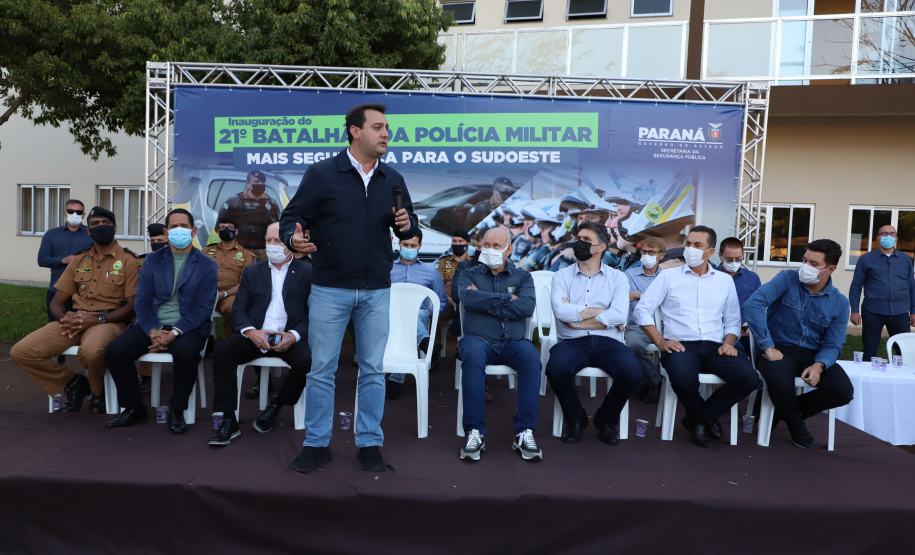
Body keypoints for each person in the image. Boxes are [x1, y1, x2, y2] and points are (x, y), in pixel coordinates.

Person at [279, 102, 418, 474]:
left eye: (387, 127)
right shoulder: (323, 173)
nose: (386, 133)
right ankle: (316, 443)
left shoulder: (392, 179)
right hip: (330, 288)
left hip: (376, 291)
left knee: (373, 369)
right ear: (355, 131)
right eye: (378, 127)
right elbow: (292, 216)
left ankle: (369, 443)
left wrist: (407, 226)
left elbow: (410, 228)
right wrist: (294, 239)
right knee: (322, 368)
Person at [634, 225, 759, 448]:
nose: (690, 249)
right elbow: (642, 310)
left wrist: (729, 342)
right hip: (680, 345)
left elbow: (732, 320)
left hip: (715, 346)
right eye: (688, 244)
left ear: (710, 252)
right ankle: (703, 420)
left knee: (749, 379)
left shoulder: (724, 281)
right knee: (683, 379)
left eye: (697, 245)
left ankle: (699, 419)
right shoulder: (668, 277)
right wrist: (660, 341)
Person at [12, 207, 139, 413]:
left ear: (115, 228)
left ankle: (98, 394)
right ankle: (75, 383)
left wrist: (98, 319)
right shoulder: (79, 260)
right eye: (95, 224)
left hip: (109, 321)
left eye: (105, 223)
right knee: (22, 351)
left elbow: (133, 306)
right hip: (75, 320)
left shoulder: (129, 261)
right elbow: (57, 300)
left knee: (91, 351)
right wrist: (64, 318)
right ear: (89, 231)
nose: (100, 227)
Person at [104, 208, 218, 433]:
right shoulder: (153, 260)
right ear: (166, 232)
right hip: (152, 325)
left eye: (184, 226)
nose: (179, 230)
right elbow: (142, 301)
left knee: (187, 353)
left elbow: (203, 308)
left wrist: (174, 332)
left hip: (189, 327)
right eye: (174, 226)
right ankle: (134, 407)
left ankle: (177, 409)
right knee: (116, 351)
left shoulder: (207, 264)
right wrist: (153, 331)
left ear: (193, 231)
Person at [208, 223, 313, 446]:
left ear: (290, 243)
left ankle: (277, 405)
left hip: (289, 337)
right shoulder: (253, 271)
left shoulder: (307, 272)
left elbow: (312, 314)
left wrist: (293, 335)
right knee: (223, 350)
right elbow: (239, 310)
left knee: (309, 360)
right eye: (268, 241)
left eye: (278, 241)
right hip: (256, 335)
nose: (272, 245)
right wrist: (251, 332)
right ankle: (229, 419)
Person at [745, 239, 854, 449]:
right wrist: (767, 346)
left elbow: (833, 344)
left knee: (842, 391)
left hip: (812, 354)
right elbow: (754, 303)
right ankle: (796, 424)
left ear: (830, 269)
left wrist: (819, 365)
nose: (805, 267)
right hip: (778, 348)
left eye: (814, 264)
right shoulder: (787, 278)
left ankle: (782, 410)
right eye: (804, 260)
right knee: (780, 381)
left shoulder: (839, 303)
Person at [546, 221, 642, 445]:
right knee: (556, 369)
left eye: (587, 240)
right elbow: (561, 310)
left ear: (602, 247)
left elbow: (619, 316)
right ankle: (575, 419)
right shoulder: (561, 276)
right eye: (579, 238)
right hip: (571, 342)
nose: (580, 243)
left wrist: (577, 320)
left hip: (608, 342)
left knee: (633, 373)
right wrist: (601, 313)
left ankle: (606, 420)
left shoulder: (618, 277)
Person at [456, 227, 542, 462]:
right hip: (478, 341)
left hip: (513, 342)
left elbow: (525, 308)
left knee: (531, 357)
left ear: (509, 249)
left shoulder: (523, 277)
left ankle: (525, 432)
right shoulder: (468, 274)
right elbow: (467, 298)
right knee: (471, 354)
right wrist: (507, 298)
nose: (490, 250)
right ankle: (475, 432)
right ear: (480, 245)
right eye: (486, 245)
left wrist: (486, 302)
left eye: (497, 246)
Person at [387, 228, 449, 400]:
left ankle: (395, 379)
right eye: (405, 244)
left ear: (420, 245)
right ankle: (425, 342)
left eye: (413, 245)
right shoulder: (387, 269)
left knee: (413, 316)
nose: (409, 247)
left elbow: (442, 303)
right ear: (398, 244)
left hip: (420, 314)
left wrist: (429, 311)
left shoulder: (431, 272)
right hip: (389, 315)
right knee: (401, 316)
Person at [848, 224, 915, 361]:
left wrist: (913, 311)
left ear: (896, 238)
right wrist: (854, 310)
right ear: (878, 238)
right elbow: (856, 286)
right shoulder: (866, 259)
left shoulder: (906, 259)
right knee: (869, 350)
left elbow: (912, 286)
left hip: (900, 312)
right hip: (873, 311)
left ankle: (904, 380)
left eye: (892, 234)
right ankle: (868, 379)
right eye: (884, 234)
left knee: (904, 352)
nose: (888, 236)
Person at [624, 237, 667, 403]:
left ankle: (652, 380)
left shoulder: (667, 276)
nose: (647, 255)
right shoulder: (629, 274)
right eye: (644, 251)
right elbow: (624, 296)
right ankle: (655, 380)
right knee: (634, 345)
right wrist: (646, 296)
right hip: (638, 324)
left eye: (652, 252)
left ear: (661, 255)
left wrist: (640, 295)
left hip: (664, 324)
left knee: (680, 346)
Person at [36, 199, 94, 321]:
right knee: (56, 327)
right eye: (71, 211)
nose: (75, 214)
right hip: (56, 291)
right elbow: (42, 260)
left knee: (81, 327)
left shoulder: (91, 234)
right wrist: (63, 260)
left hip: (84, 293)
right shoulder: (51, 234)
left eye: (78, 212)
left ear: (83, 215)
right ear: (64, 213)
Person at [205, 215, 256, 341]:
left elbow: (245, 283)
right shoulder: (206, 251)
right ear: (217, 231)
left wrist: (224, 294)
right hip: (205, 294)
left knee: (234, 307)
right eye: (222, 227)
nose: (226, 230)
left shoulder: (246, 254)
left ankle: (226, 342)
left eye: (230, 227)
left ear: (236, 231)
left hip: (228, 296)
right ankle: (202, 343)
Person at [217, 170, 281, 260]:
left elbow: (277, 228)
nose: (260, 184)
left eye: (263, 182)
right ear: (248, 183)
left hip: (266, 251)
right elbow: (220, 225)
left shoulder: (271, 204)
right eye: (256, 182)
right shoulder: (234, 202)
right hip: (242, 250)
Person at [716, 237, 762, 358]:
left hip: (746, 333)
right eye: (729, 259)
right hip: (718, 333)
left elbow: (759, 306)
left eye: (738, 259)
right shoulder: (710, 277)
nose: (734, 262)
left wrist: (750, 324)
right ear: (720, 255)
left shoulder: (752, 278)